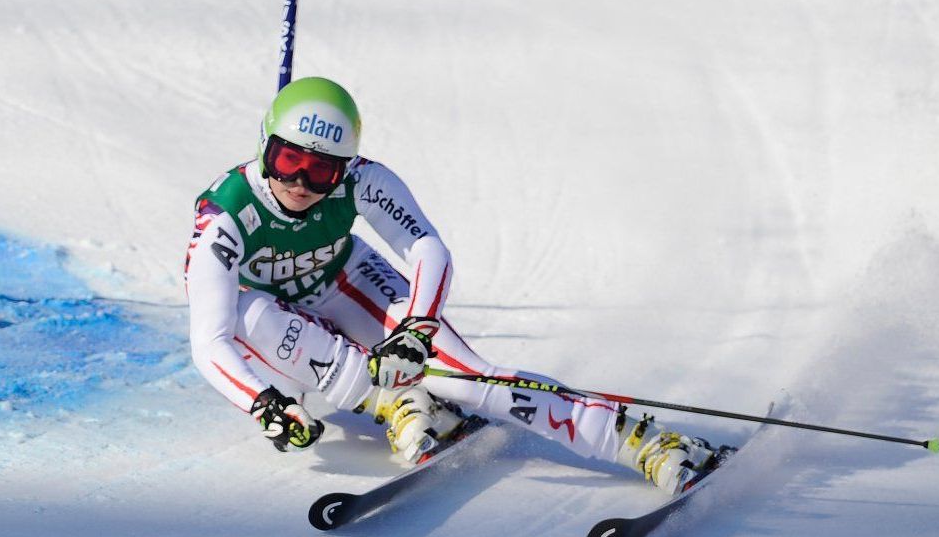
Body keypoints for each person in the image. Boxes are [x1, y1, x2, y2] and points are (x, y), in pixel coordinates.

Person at [184, 76, 716, 494]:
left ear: (344, 169)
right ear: (263, 147)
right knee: (244, 311)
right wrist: (264, 403)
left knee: (467, 381)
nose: (300, 183)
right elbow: (209, 339)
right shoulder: (225, 215)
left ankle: (645, 442)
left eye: (320, 171)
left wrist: (416, 330)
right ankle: (395, 402)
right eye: (287, 161)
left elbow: (427, 249)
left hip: (344, 279)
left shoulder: (365, 180)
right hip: (275, 321)